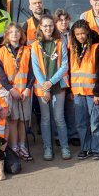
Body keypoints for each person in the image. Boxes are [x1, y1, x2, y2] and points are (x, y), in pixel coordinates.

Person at [31, 15, 71, 160]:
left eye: (50, 25)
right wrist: (45, 87)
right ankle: (48, 148)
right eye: (45, 26)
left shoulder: (60, 43)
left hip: (58, 86)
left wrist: (51, 83)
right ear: (40, 27)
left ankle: (64, 147)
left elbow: (64, 66)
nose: (48, 28)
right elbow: (36, 68)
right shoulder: (35, 45)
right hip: (42, 88)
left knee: (59, 118)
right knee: (46, 119)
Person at [0, 23, 34, 161]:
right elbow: (1, 76)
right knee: (13, 119)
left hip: (24, 92)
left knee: (23, 120)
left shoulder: (28, 50)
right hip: (9, 92)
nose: (14, 34)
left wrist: (28, 88)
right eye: (11, 32)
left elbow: (32, 71)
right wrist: (11, 90)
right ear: (6, 35)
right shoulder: (0, 52)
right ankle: (14, 147)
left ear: (21, 34)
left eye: (17, 32)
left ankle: (23, 146)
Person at [69, 19, 99, 161]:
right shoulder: (73, 48)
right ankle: (85, 148)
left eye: (83, 33)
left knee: (95, 122)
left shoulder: (97, 48)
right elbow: (71, 70)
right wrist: (71, 91)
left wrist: (98, 93)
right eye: (77, 34)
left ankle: (96, 149)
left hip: (92, 94)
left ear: (88, 33)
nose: (80, 37)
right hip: (78, 92)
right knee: (81, 122)